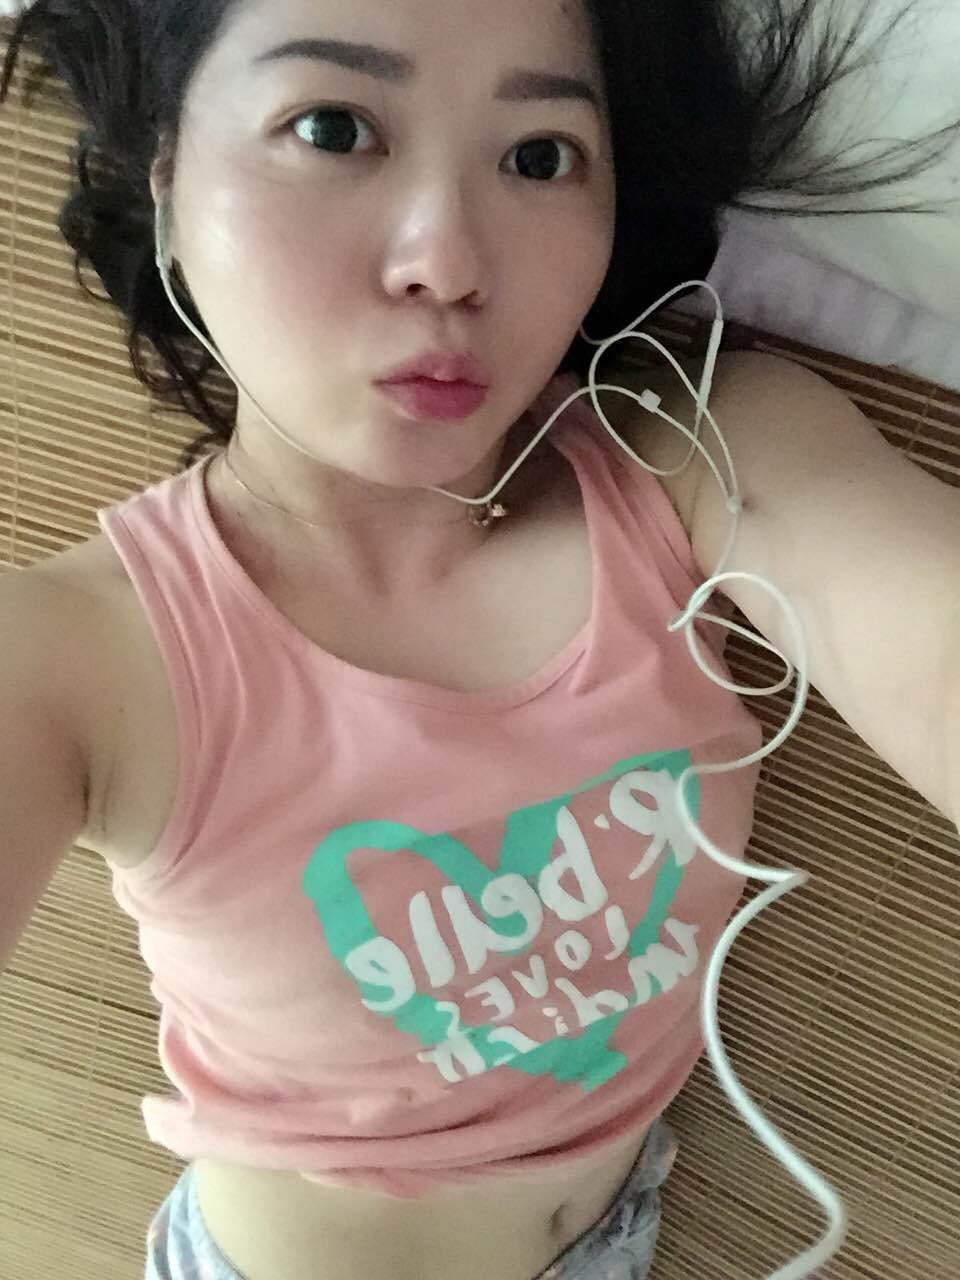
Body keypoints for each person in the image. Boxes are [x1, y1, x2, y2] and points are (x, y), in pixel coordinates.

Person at [1, 3, 957, 1280]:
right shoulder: (80, 653)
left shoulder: (703, 451)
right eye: (333, 129)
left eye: (540, 156)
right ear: (168, 179)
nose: (447, 261)